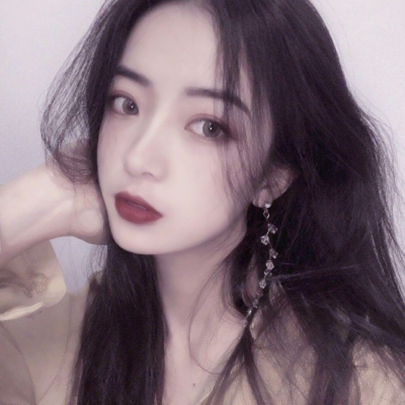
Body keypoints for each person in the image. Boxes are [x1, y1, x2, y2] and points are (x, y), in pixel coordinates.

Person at [1, 0, 405, 404]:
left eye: (209, 127)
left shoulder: (361, 383)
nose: (138, 158)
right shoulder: (40, 350)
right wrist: (40, 200)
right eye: (127, 104)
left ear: (272, 177)